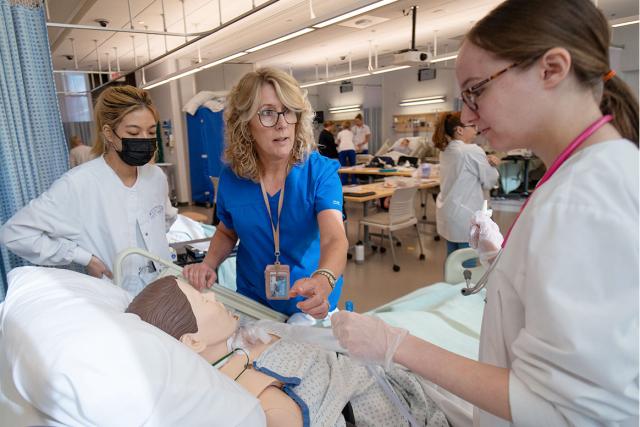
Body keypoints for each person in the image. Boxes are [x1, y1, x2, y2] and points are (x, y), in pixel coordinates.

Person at [331, 0, 639, 426]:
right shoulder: (586, 174)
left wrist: (393, 344)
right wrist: (505, 259)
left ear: (551, 69)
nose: (469, 115)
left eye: (477, 90)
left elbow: (560, 409)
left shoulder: (584, 197)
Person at [126, 276, 449, 427]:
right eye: (202, 300)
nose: (212, 295)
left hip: (362, 354)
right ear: (192, 342)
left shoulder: (240, 344)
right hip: (371, 391)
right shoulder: (248, 387)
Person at [182, 68, 348, 319]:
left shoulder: (319, 173)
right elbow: (227, 231)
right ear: (245, 124)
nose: (281, 123)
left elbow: (334, 238)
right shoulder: (232, 178)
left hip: (309, 304)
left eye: (288, 111)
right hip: (252, 303)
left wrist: (324, 280)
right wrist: (208, 264)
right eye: (267, 113)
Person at [0, 85, 177, 293]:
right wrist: (83, 257)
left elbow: (165, 219)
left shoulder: (155, 177)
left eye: (150, 131)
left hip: (164, 285)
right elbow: (14, 233)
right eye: (133, 132)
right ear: (109, 134)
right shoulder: (79, 184)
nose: (145, 140)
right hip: (117, 295)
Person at [433, 112, 499, 266]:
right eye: (472, 125)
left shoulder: (446, 151)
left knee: (453, 263)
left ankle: (453, 289)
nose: (476, 128)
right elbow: (489, 181)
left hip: (449, 213)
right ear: (460, 130)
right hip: (465, 216)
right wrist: (492, 165)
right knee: (467, 266)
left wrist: (483, 162)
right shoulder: (472, 150)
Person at [336, 120, 357, 185]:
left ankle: (343, 182)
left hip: (342, 149)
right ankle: (354, 182)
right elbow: (354, 141)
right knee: (353, 166)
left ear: (343, 126)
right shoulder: (351, 133)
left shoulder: (340, 133)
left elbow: (337, 142)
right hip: (351, 148)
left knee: (343, 166)